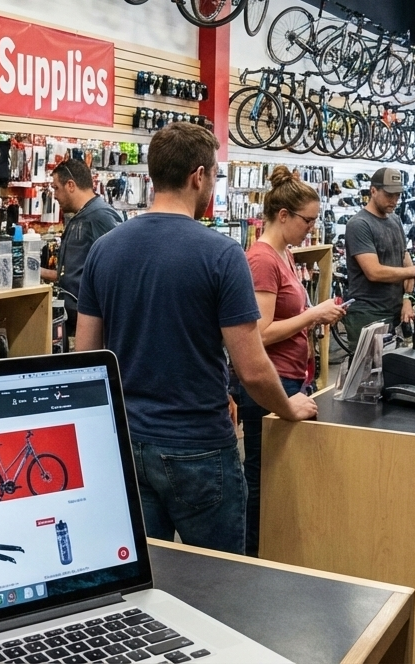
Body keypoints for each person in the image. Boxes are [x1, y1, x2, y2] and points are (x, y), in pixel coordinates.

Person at [76, 122, 318, 555]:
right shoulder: (220, 253)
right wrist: (288, 407)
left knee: (147, 580)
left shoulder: (105, 249)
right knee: (221, 587)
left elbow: (86, 359)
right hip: (198, 448)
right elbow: (253, 368)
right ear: (198, 176)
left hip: (127, 444)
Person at [234, 166, 347, 555]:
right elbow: (259, 333)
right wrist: (314, 315)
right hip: (271, 382)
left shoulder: (282, 254)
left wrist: (315, 311)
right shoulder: (263, 260)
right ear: (283, 215)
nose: (311, 229)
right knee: (263, 482)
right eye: (307, 221)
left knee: (277, 479)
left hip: (290, 377)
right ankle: (252, 562)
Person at [41, 159, 122, 337]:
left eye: (56, 188)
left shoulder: (100, 216)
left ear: (70, 185)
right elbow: (74, 273)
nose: (54, 195)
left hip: (90, 323)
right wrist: (38, 272)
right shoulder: (80, 216)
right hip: (74, 319)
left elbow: (121, 267)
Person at [343, 167, 415, 350]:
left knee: (393, 372)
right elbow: (374, 272)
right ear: (373, 190)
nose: (394, 200)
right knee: (365, 375)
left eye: (398, 195)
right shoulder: (359, 225)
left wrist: (407, 298)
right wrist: (413, 271)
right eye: (389, 194)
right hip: (368, 315)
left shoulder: (395, 220)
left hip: (396, 312)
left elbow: (404, 257)